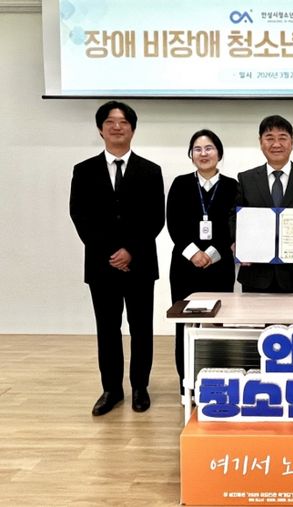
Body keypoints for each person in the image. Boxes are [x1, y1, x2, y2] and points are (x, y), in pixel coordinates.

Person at [70, 101, 165, 416]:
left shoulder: (150, 170)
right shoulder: (84, 171)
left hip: (140, 264)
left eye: (123, 121)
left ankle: (140, 387)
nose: (117, 126)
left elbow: (156, 217)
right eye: (110, 121)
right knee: (108, 328)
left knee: (141, 328)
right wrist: (111, 252)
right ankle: (111, 389)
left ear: (133, 129)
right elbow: (80, 216)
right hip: (102, 265)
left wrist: (130, 251)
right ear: (100, 129)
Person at [167, 129, 238, 390]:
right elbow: (173, 223)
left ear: (219, 153)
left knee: (218, 322)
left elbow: (235, 225)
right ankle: (186, 384)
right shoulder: (180, 184)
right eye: (197, 149)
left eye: (209, 148)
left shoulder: (233, 186)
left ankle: (217, 382)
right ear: (191, 155)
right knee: (185, 324)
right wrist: (194, 253)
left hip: (220, 266)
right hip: (184, 267)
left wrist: (211, 254)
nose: (203, 153)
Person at [234, 115, 293, 293]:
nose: (276, 144)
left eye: (282, 138)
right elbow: (234, 218)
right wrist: (237, 243)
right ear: (260, 142)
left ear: (292, 142)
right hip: (255, 273)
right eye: (269, 138)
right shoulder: (246, 179)